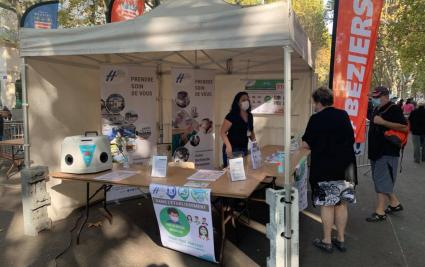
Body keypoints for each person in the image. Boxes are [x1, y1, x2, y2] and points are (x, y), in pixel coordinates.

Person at [302, 87, 357, 253]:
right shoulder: (343, 115)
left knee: (327, 205)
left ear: (318, 102)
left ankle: (326, 241)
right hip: (347, 168)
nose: (314, 106)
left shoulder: (316, 119)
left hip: (326, 168)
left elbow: (306, 143)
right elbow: (351, 138)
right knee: (341, 204)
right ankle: (340, 239)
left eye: (314, 102)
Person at [367, 86, 408, 222]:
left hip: (387, 152)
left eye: (376, 97)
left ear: (385, 96)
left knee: (381, 180)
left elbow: (405, 127)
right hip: (376, 151)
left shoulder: (393, 108)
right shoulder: (377, 108)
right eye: (373, 97)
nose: (374, 99)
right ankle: (395, 203)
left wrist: (383, 122)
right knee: (381, 179)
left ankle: (380, 212)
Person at [220, 92, 256, 167]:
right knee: (231, 173)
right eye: (243, 100)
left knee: (243, 172)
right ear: (237, 102)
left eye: (247, 99)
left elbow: (250, 131)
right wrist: (228, 146)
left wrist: (255, 144)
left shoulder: (250, 116)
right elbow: (222, 132)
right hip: (232, 149)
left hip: (244, 148)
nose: (246, 101)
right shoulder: (231, 116)